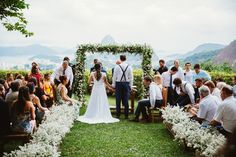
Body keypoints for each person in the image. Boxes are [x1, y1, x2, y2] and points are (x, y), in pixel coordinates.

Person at [112, 55, 133, 119]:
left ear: (120, 59)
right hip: (126, 84)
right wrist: (130, 86)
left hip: (118, 83)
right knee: (126, 99)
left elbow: (114, 76)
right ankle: (126, 115)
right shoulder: (129, 67)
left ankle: (118, 114)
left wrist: (113, 85)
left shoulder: (117, 67)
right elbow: (131, 77)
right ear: (125, 59)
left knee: (118, 99)